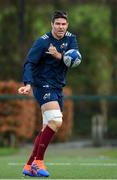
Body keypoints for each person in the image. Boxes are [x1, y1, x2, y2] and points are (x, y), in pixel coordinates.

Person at [18, 10, 79, 177]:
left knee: (48, 127)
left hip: (58, 87)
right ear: (52, 24)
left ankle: (29, 165)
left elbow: (73, 60)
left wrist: (58, 55)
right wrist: (28, 84)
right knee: (56, 121)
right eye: (57, 24)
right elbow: (29, 62)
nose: (61, 27)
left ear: (67, 25)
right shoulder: (42, 42)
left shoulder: (71, 39)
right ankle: (38, 163)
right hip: (42, 85)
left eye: (63, 24)